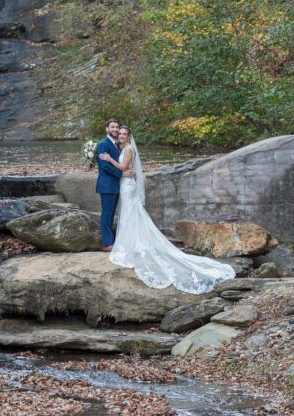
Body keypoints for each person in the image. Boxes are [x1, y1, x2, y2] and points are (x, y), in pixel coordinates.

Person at [99, 125, 235, 293]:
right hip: (126, 184)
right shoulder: (122, 147)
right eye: (119, 133)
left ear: (129, 136)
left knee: (129, 214)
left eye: (124, 134)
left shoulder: (128, 149)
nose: (121, 135)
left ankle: (131, 244)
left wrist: (109, 159)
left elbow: (123, 168)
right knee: (130, 214)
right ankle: (132, 242)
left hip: (127, 186)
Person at [95, 118, 130, 250]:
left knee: (110, 214)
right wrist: (122, 174)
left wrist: (127, 171)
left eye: (117, 127)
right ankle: (107, 243)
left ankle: (111, 240)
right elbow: (105, 166)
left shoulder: (118, 145)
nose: (115, 129)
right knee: (107, 214)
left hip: (115, 185)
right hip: (107, 185)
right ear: (107, 129)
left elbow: (120, 163)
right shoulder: (104, 144)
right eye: (112, 127)